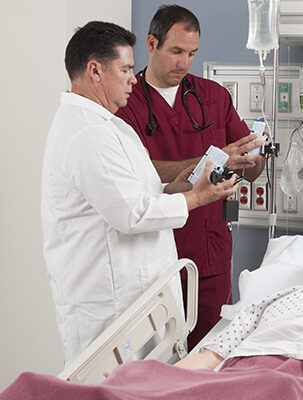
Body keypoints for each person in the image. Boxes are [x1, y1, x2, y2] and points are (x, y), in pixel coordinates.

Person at [41, 21, 237, 365]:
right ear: (95, 71)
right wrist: (196, 199)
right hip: (109, 307)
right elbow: (130, 213)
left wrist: (171, 188)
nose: (134, 77)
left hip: (137, 303)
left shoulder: (105, 125)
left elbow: (127, 193)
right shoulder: (87, 133)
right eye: (126, 69)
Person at [0, 233, 303, 400]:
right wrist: (153, 380)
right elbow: (211, 356)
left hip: (297, 375)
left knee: (280, 392)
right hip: (239, 372)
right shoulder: (270, 299)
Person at [115, 4, 266, 350]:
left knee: (208, 353)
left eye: (192, 54)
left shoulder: (214, 97)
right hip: (151, 256)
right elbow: (135, 171)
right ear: (151, 45)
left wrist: (253, 156)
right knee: (155, 359)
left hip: (208, 253)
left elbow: (252, 170)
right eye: (176, 52)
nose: (184, 63)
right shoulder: (126, 102)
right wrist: (210, 159)